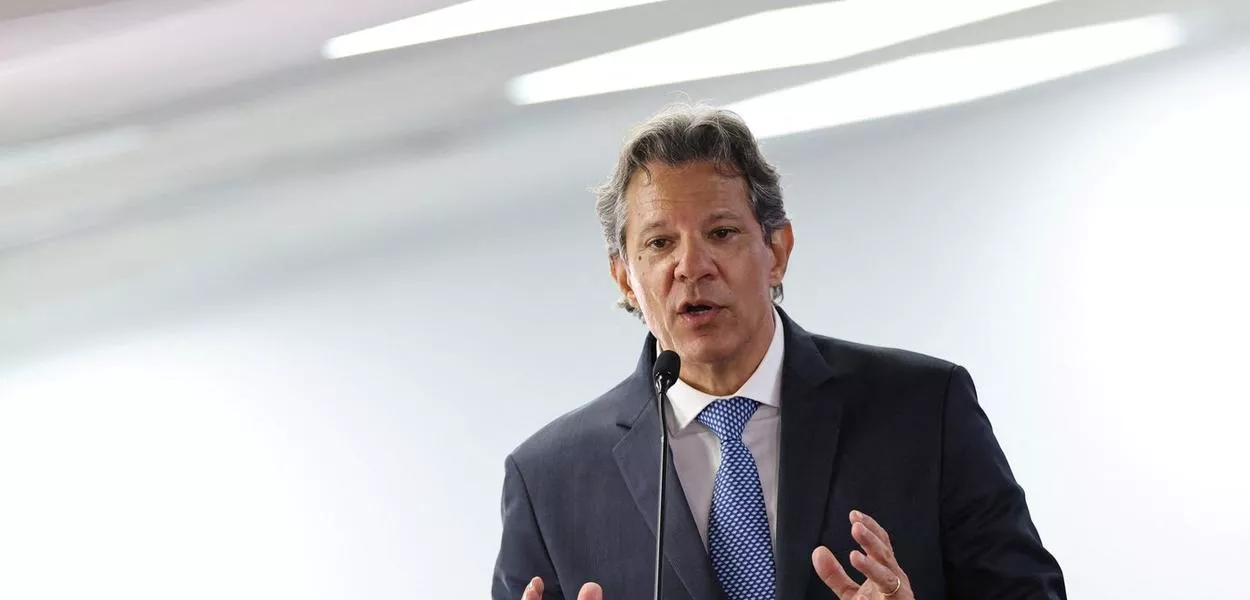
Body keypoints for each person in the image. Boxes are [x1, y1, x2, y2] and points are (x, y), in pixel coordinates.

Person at [491, 104, 1065, 600]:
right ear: (624, 279)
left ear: (777, 250)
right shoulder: (549, 481)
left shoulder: (922, 409)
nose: (691, 266)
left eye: (721, 232)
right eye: (660, 243)